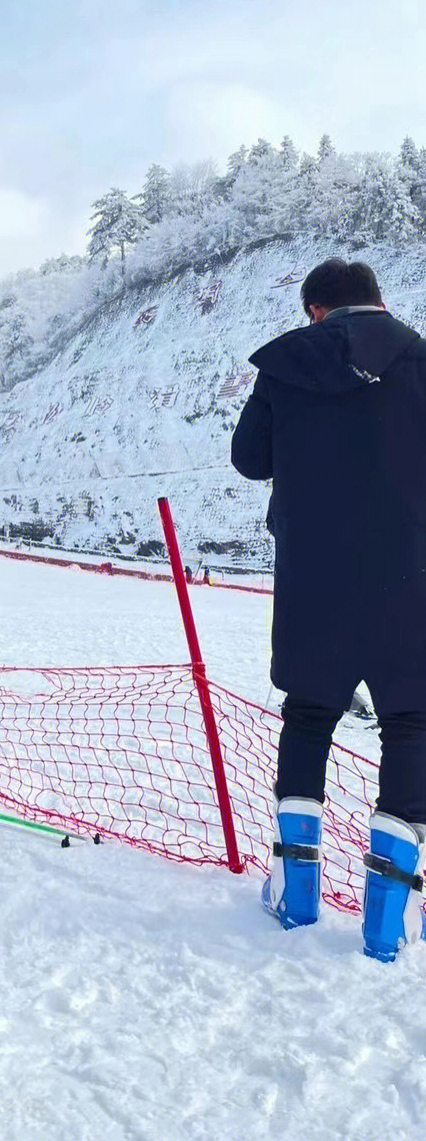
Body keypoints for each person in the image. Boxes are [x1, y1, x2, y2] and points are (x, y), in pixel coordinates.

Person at [232, 258, 426, 961]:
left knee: (310, 716)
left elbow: (250, 459)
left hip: (314, 575)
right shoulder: (420, 359)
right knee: (411, 725)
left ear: (316, 310)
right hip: (412, 576)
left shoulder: (286, 365)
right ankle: (387, 918)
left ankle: (297, 892)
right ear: (380, 300)